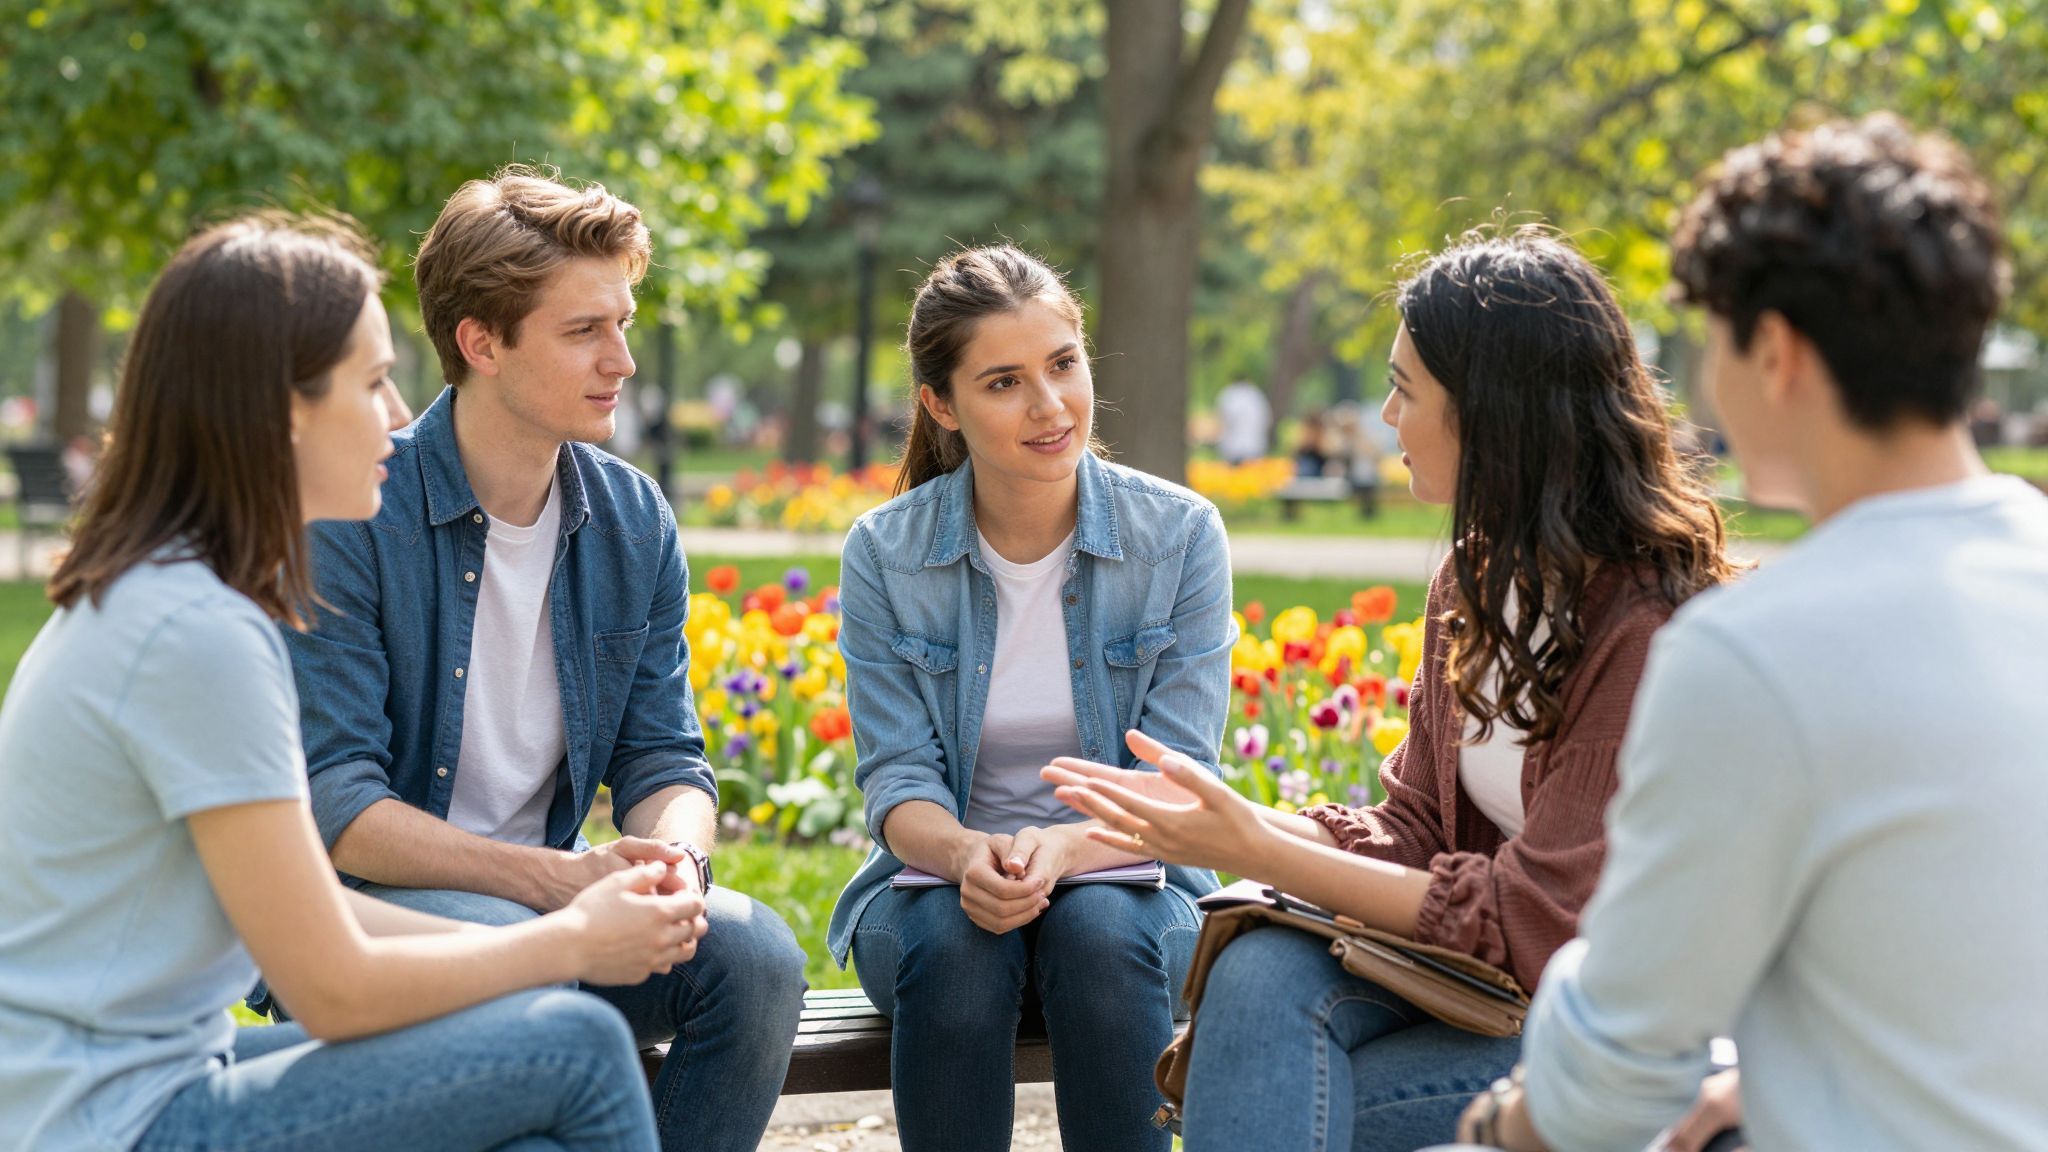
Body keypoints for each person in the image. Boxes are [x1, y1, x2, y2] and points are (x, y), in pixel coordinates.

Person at [0, 212, 696, 1151]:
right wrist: (565, 942)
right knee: (569, 1045)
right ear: (288, 406)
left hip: (154, 1078)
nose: (401, 418)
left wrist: (558, 932)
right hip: (108, 1121)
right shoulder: (195, 633)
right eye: (372, 384)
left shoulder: (177, 593)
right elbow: (327, 984)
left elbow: (314, 916)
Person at [1046, 227, 1735, 1152]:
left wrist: (1259, 848)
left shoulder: (1644, 623)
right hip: (1484, 988)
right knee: (1256, 976)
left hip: (1622, 1031)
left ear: (1491, 414)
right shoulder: (1475, 576)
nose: (1383, 415)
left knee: (1272, 1093)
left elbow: (1540, 923)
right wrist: (1218, 817)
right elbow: (1417, 829)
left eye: (1406, 389)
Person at [1452, 115, 2048, 1152]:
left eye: (1710, 343)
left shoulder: (1754, 653)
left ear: (1773, 351)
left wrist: (1493, 1126)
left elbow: (1613, 1075)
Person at [267, 168, 806, 1152]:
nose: (624, 359)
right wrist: (554, 885)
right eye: (584, 330)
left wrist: (677, 862)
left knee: (756, 957)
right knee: (542, 983)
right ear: (481, 343)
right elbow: (338, 809)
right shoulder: (354, 509)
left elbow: (665, 761)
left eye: (624, 322)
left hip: (548, 908)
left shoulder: (630, 517)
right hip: (377, 919)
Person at [825, 245, 1234, 1152]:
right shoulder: (887, 554)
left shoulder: (1178, 536)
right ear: (942, 403)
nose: (1050, 406)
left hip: (1134, 881)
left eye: (1062, 365)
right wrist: (974, 855)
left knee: (1098, 934)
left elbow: (1177, 780)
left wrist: (1063, 846)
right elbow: (897, 781)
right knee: (959, 946)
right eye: (1004, 382)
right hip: (940, 886)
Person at [1215, 378, 1274, 464]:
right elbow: (1267, 420)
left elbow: (1222, 420)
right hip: (1255, 447)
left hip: (1233, 448)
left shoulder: (1229, 395)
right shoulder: (1256, 395)